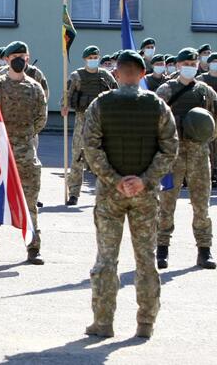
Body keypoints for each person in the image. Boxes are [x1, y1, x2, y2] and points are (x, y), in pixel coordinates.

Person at [83, 50, 177, 339]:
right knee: (146, 261)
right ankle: (145, 324)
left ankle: (103, 323)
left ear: (117, 73)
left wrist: (115, 180)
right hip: (145, 195)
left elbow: (91, 147)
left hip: (111, 194)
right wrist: (145, 180)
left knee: (106, 261)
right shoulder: (159, 106)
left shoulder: (101, 105)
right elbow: (170, 148)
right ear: (142, 74)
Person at [0, 41, 47, 265]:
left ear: (28, 59)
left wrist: (23, 136)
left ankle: (33, 247)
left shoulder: (35, 87)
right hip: (0, 149)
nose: (20, 60)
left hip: (26, 151)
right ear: (7, 59)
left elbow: (41, 118)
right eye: (15, 56)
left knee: (30, 201)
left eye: (23, 56)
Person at [155, 47, 217, 270]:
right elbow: (156, 120)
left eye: (193, 64)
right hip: (173, 154)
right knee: (166, 202)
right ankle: (161, 249)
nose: (190, 67)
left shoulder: (205, 91)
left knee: (201, 204)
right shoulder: (166, 90)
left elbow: (213, 118)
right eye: (186, 64)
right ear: (178, 65)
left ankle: (204, 250)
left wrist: (208, 136)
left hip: (199, 154)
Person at [62, 46, 118, 205]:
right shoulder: (76, 76)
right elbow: (66, 95)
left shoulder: (106, 76)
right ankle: (73, 192)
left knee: (104, 157)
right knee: (77, 156)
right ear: (85, 59)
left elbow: (115, 93)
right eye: (90, 57)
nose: (93, 60)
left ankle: (106, 192)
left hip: (102, 121)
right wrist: (64, 107)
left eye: (95, 57)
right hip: (83, 118)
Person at [197, 51, 217, 186]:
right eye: (214, 62)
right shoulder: (201, 80)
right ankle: (209, 173)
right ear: (208, 64)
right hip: (206, 118)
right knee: (207, 147)